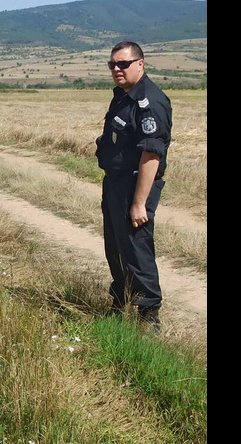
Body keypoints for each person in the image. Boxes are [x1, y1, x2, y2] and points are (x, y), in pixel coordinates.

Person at [95, 41, 172, 334]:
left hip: (135, 184)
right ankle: (121, 299)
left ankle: (148, 315)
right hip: (116, 182)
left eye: (123, 64)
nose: (116, 69)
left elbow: (151, 154)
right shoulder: (123, 96)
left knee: (137, 249)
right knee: (115, 246)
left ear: (140, 63)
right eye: (112, 64)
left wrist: (139, 202)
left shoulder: (149, 101)